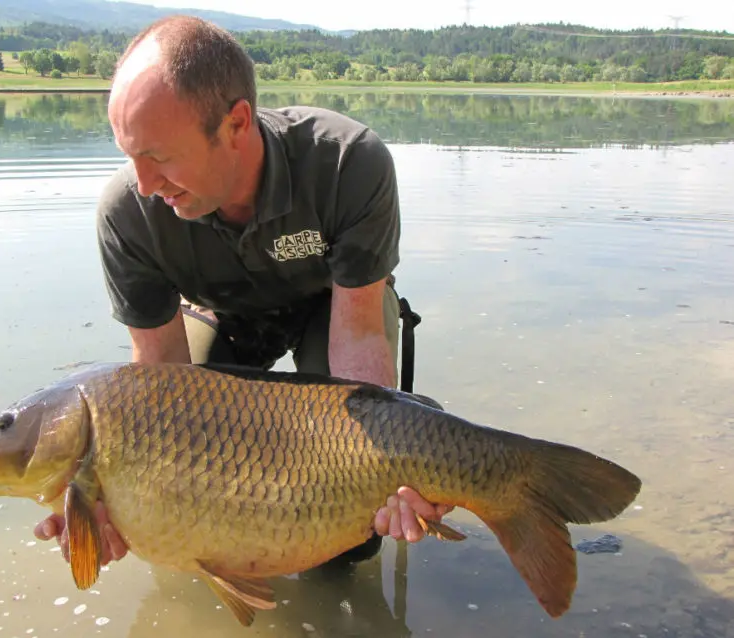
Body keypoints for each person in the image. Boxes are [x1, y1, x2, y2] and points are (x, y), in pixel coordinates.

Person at [34, 15, 449, 568]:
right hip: (219, 314)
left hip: (331, 310)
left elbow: (358, 332)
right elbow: (159, 378)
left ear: (236, 124)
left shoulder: (350, 161)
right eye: (128, 155)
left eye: (157, 156)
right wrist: (107, 501)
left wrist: (393, 468)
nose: (143, 185)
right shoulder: (127, 212)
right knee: (180, 513)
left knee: (351, 534)